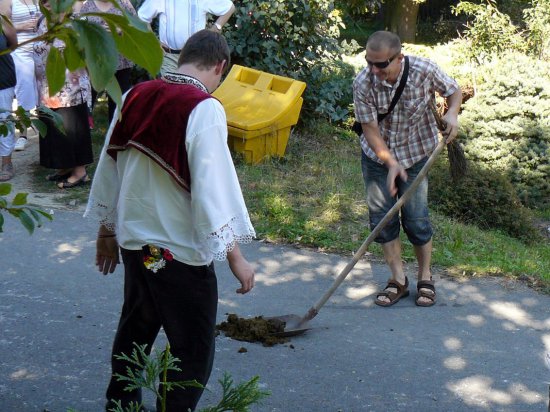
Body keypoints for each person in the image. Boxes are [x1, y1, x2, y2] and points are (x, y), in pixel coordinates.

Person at [85, 29, 256, 411]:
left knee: (136, 328)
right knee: (192, 345)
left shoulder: (134, 95)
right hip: (176, 255)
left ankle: (121, 405)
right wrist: (235, 257)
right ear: (220, 67)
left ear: (181, 58)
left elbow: (109, 167)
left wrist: (106, 230)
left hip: (139, 250)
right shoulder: (204, 108)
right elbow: (213, 191)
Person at [353, 30, 462, 307]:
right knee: (383, 219)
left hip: (416, 155)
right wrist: (390, 163)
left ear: (399, 58)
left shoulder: (423, 70)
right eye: (369, 62)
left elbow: (453, 90)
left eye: (381, 64)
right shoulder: (363, 83)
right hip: (378, 160)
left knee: (416, 219)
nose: (374, 70)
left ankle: (425, 276)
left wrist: (451, 113)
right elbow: (370, 129)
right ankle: (398, 279)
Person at [34, 4, 94, 188]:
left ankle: (80, 172)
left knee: (72, 129)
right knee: (55, 129)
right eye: (44, 1)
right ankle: (65, 167)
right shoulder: (43, 21)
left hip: (72, 89)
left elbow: (87, 52)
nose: (47, 4)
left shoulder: (77, 22)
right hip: (48, 87)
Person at [137, 0, 235, 76]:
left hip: (196, 57)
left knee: (192, 93)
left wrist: (215, 28)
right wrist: (153, 42)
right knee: (172, 94)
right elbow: (142, 17)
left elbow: (229, 8)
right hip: (169, 56)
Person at [79, 0, 137, 123]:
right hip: (94, 64)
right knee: (87, 102)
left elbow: (136, 28)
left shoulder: (124, 4)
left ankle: (115, 136)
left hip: (121, 62)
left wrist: (121, 29)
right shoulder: (86, 6)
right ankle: (84, 132)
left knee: (119, 105)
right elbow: (79, 33)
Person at [1, 0, 40, 151]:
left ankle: (47, 133)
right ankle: (23, 135)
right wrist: (22, 26)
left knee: (43, 90)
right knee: (24, 93)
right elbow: (3, 28)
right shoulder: (7, 1)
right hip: (21, 51)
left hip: (40, 49)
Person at [0, 19, 18, 181]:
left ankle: (6, 163)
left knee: (4, 121)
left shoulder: (3, 22)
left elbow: (14, 45)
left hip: (3, 78)